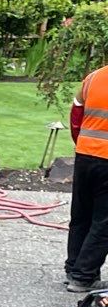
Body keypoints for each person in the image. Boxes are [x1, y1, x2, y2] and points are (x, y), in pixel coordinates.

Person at [65, 58, 108, 292]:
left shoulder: (93, 78)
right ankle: (83, 276)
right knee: (104, 223)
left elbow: (76, 117)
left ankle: (73, 268)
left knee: (81, 215)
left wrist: (82, 145)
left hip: (85, 155)